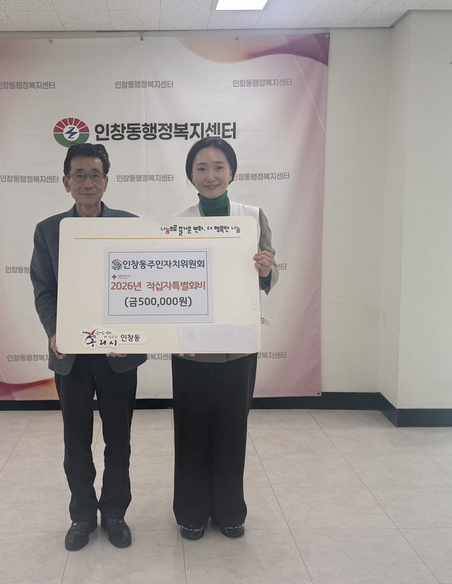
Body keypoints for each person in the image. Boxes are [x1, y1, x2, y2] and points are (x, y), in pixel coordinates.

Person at [30, 143, 146, 551]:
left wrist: (129, 333)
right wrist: (54, 331)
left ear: (106, 181)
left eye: (95, 174)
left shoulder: (129, 226)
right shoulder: (49, 230)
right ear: (66, 182)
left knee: (119, 441)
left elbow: (140, 287)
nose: (87, 182)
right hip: (72, 356)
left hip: (118, 357)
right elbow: (44, 289)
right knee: (76, 442)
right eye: (78, 175)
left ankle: (115, 513)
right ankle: (81, 515)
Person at [172, 137, 278, 540]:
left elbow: (269, 274)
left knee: (233, 429)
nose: (210, 175)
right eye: (201, 168)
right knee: (191, 430)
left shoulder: (252, 217)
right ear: (190, 175)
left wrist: (266, 268)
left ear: (232, 172)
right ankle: (191, 512)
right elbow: (171, 281)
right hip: (192, 348)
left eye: (219, 167)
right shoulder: (179, 222)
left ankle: (230, 510)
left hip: (238, 345)